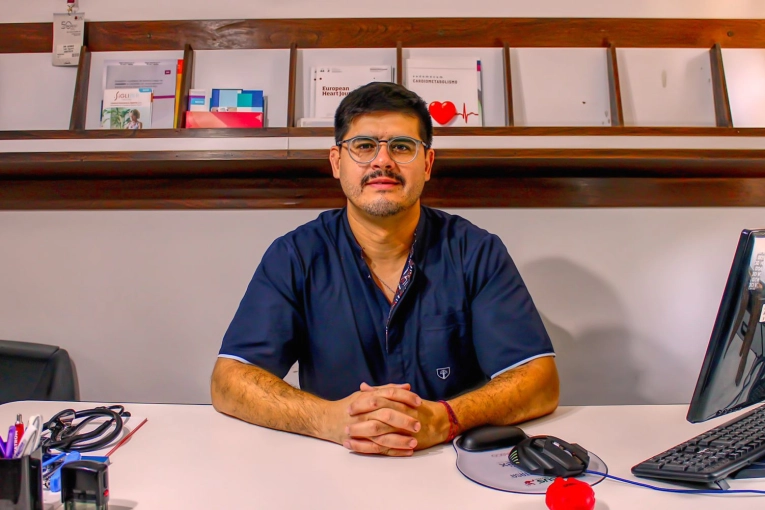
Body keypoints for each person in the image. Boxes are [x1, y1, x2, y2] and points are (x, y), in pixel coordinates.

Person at [211, 82, 559, 457]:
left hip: (453, 461)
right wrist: (326, 419)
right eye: (364, 146)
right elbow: (229, 380)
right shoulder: (295, 255)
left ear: (427, 164)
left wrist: (444, 419)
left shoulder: (476, 251)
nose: (382, 162)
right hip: (331, 460)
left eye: (402, 147)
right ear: (336, 162)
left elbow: (540, 381)